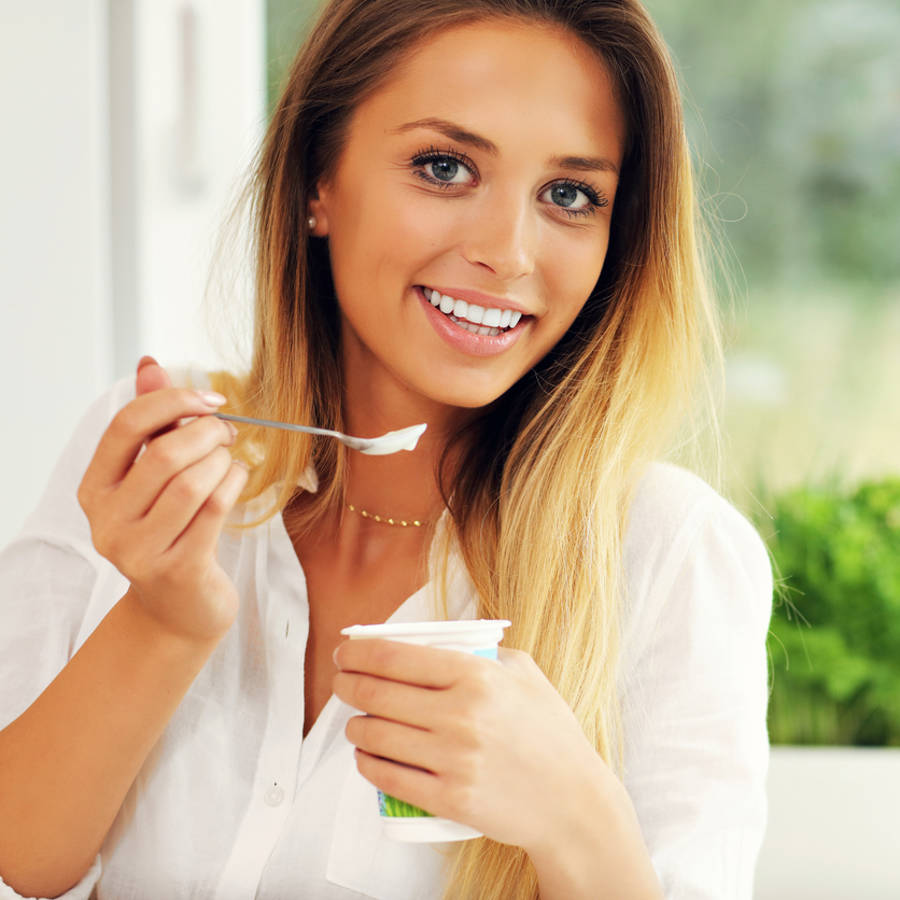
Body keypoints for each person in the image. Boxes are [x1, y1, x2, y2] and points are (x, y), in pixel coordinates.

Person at [0, 0, 773, 897]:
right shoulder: (155, 455)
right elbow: (24, 852)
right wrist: (163, 618)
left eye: (570, 195)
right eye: (445, 168)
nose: (509, 253)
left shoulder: (669, 553)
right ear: (317, 182)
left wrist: (575, 819)